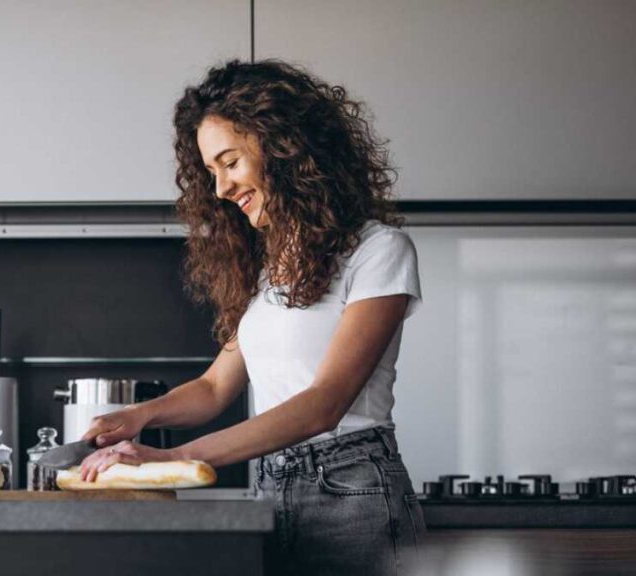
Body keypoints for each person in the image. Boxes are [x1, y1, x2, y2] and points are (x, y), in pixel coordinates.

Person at [78, 59, 425, 575]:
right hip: (271, 488)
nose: (219, 188)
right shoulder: (270, 273)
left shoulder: (379, 251)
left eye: (230, 162)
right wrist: (140, 415)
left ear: (284, 147)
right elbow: (216, 387)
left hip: (352, 489)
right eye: (211, 172)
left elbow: (323, 406)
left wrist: (175, 460)